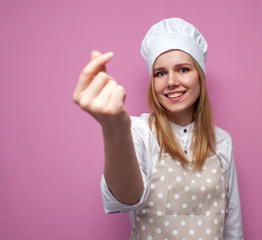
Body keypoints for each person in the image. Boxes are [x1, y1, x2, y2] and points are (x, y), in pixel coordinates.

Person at [73, 18, 243, 239]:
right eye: (160, 73)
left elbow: (232, 226)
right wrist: (115, 129)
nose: (171, 81)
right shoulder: (139, 131)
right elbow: (127, 198)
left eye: (183, 69)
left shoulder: (222, 141)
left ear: (200, 76)